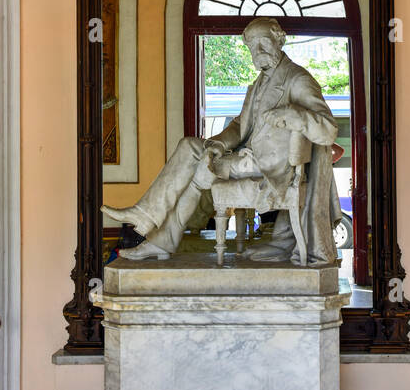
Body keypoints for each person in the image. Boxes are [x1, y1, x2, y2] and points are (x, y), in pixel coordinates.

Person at [102, 16, 341, 265]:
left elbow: (328, 129)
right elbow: (239, 126)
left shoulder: (297, 78)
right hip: (247, 159)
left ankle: (152, 229)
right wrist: (218, 144)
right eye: (252, 46)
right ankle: (152, 229)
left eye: (264, 43)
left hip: (270, 167)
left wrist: (294, 115)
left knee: (195, 163)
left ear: (279, 40)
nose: (258, 51)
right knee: (194, 154)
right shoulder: (259, 83)